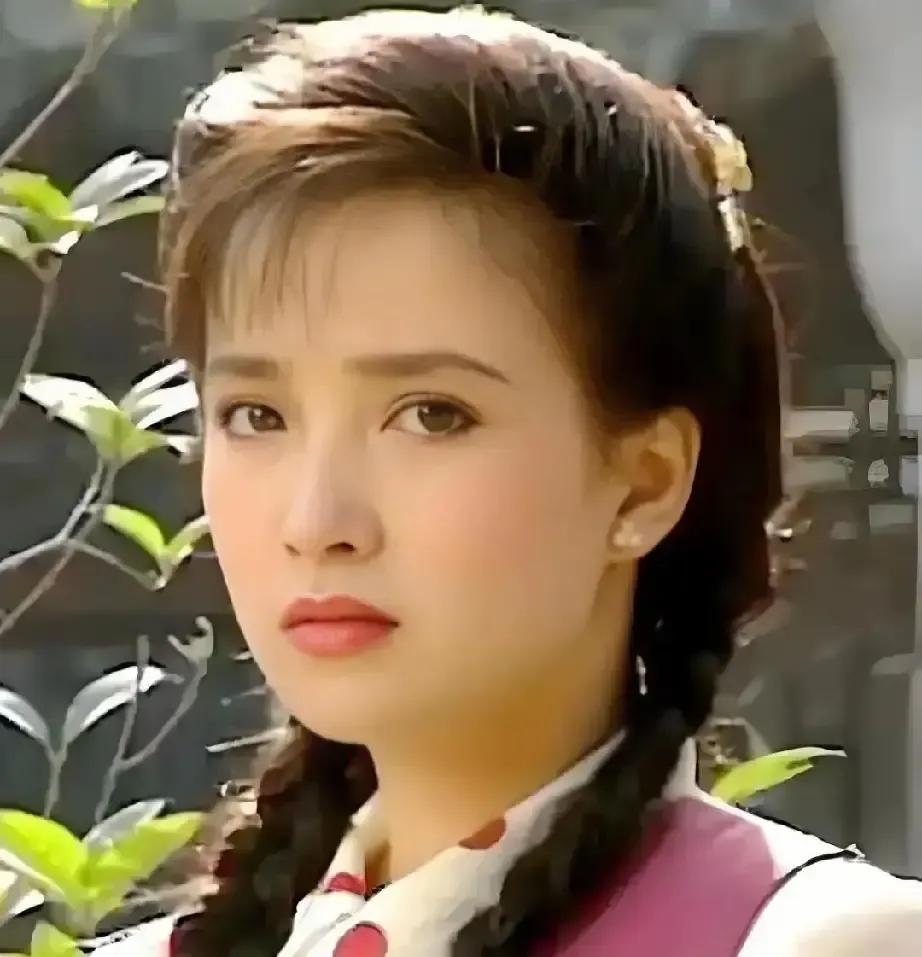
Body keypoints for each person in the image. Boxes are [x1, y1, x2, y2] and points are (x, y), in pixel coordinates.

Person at [97, 6, 922, 956]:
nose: (317, 518)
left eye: (431, 414)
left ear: (644, 482)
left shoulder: (806, 939)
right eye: (256, 415)